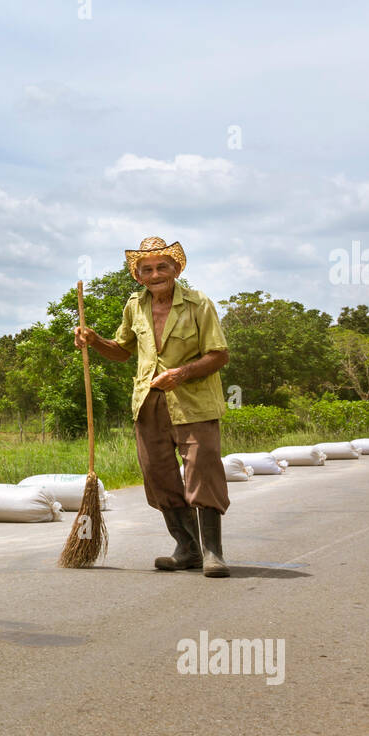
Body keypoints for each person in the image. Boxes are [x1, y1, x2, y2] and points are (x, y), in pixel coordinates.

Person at [74, 236, 232, 577]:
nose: (156, 273)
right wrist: (94, 339)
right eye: (147, 269)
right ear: (138, 275)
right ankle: (186, 548)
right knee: (158, 477)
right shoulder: (135, 306)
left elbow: (219, 355)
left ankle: (212, 552)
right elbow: (122, 350)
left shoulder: (198, 303)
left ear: (176, 269)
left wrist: (182, 373)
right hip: (148, 404)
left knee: (202, 471)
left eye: (163, 266)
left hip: (194, 403)